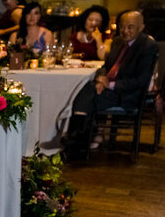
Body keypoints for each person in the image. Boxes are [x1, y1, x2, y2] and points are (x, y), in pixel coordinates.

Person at [65, 10, 158, 156]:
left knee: (91, 98)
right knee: (86, 88)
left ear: (141, 28)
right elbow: (105, 67)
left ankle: (77, 138)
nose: (125, 31)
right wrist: (101, 79)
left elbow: (141, 80)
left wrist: (111, 85)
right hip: (109, 88)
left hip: (128, 93)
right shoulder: (117, 42)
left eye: (130, 27)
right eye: (122, 26)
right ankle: (79, 137)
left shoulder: (147, 46)